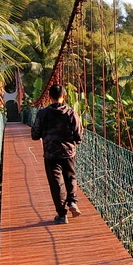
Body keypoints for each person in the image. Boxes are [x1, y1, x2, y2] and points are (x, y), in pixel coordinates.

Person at [31, 84, 83, 224]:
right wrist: (71, 145)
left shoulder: (42, 113)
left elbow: (35, 135)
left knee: (56, 183)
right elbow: (79, 135)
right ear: (64, 96)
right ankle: (72, 201)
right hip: (68, 152)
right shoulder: (71, 113)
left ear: (49, 97)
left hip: (50, 154)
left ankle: (61, 215)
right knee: (70, 177)